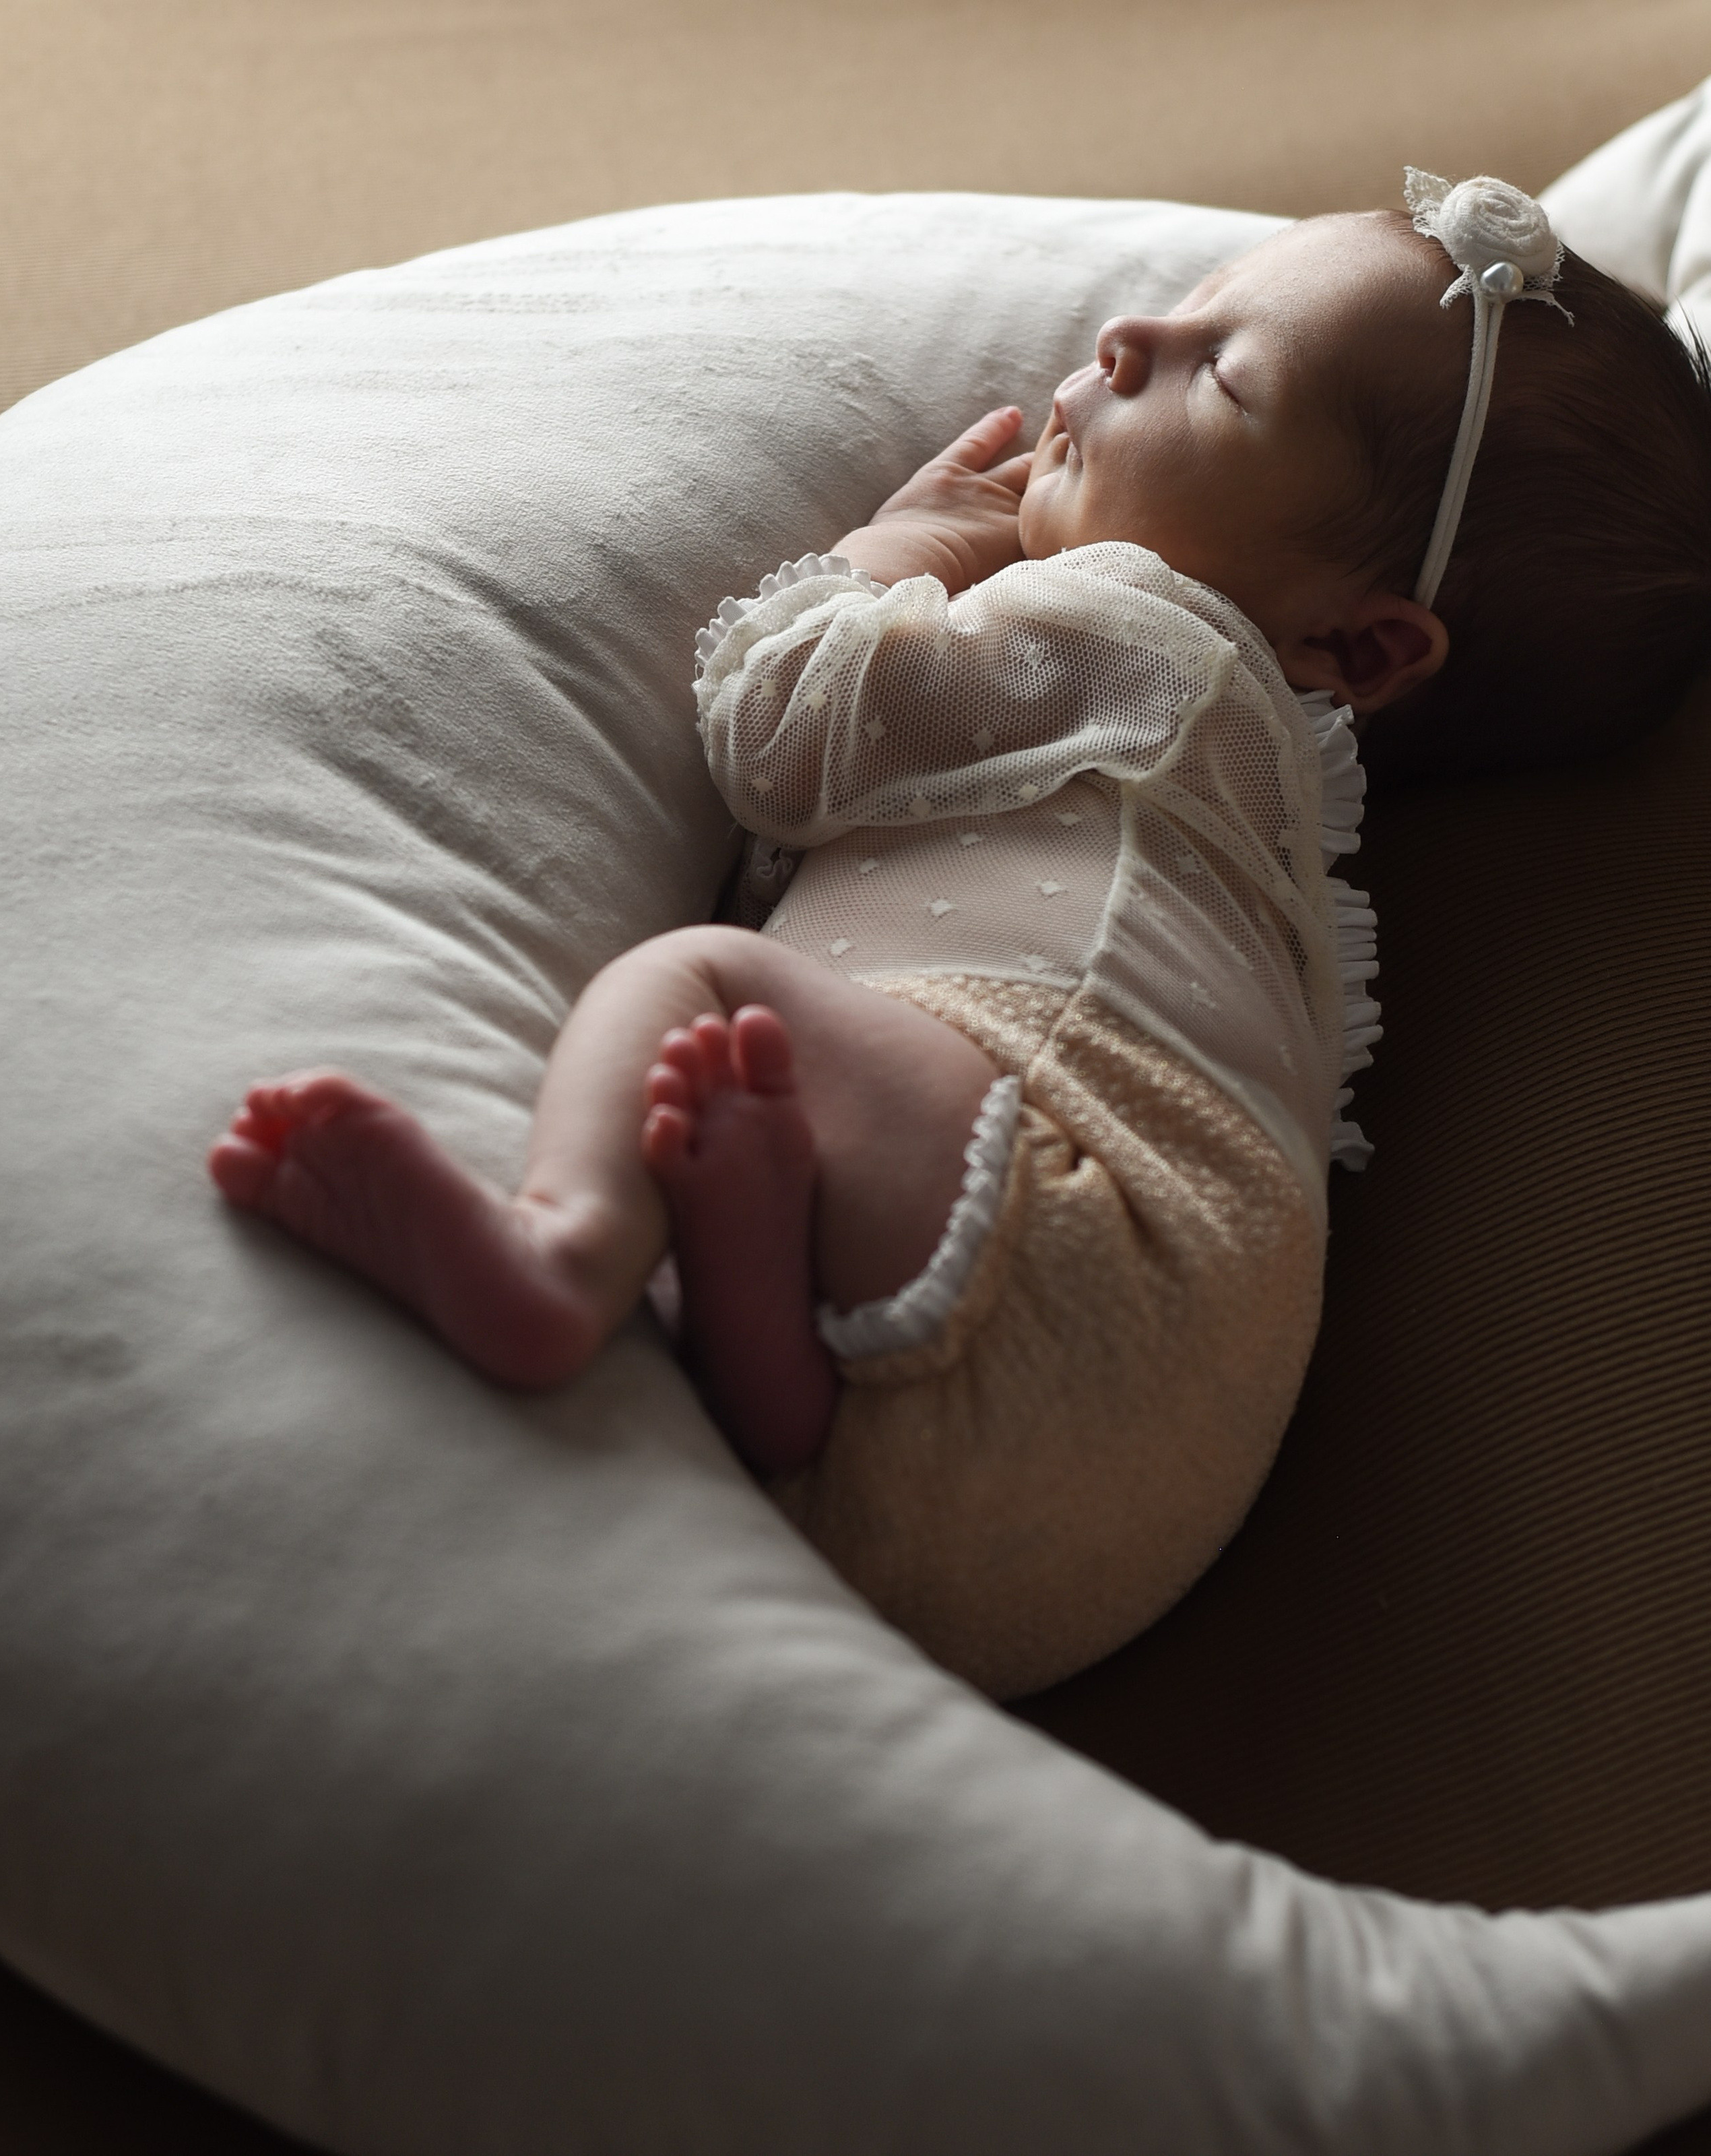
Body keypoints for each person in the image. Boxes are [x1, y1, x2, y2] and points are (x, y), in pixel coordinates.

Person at [207, 176, 1711, 1697]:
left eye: (1223, 374)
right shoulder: (1271, 833)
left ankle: (566, 1252)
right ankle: (768, 1345)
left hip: (1079, 1200)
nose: (1129, 337)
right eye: (1185, 309)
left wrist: (903, 548)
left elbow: (786, 728)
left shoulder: (1144, 640)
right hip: (1120, 1470)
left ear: (1355, 643)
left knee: (695, 984)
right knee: (760, 1096)